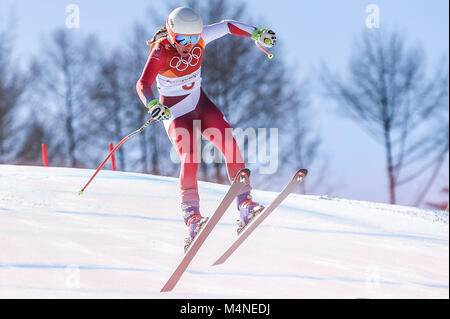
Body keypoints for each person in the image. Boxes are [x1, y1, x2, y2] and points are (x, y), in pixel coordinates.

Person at [136, 7, 277, 251]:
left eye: (193, 39)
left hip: (200, 104)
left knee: (229, 143)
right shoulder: (161, 50)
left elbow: (227, 26)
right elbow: (143, 84)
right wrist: (152, 104)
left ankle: (245, 204)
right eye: (182, 39)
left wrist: (256, 33)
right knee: (190, 157)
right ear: (171, 34)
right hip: (176, 113)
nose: (189, 44)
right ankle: (192, 219)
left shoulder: (200, 37)